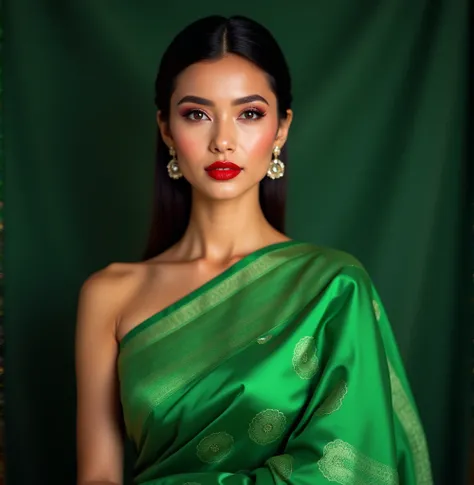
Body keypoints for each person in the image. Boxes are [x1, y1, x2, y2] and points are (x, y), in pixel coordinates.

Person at [75, 15, 433, 485]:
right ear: (166, 129)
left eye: (249, 113)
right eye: (196, 114)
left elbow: (354, 466)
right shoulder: (110, 295)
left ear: (281, 129)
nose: (223, 140)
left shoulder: (332, 286)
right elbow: (97, 477)